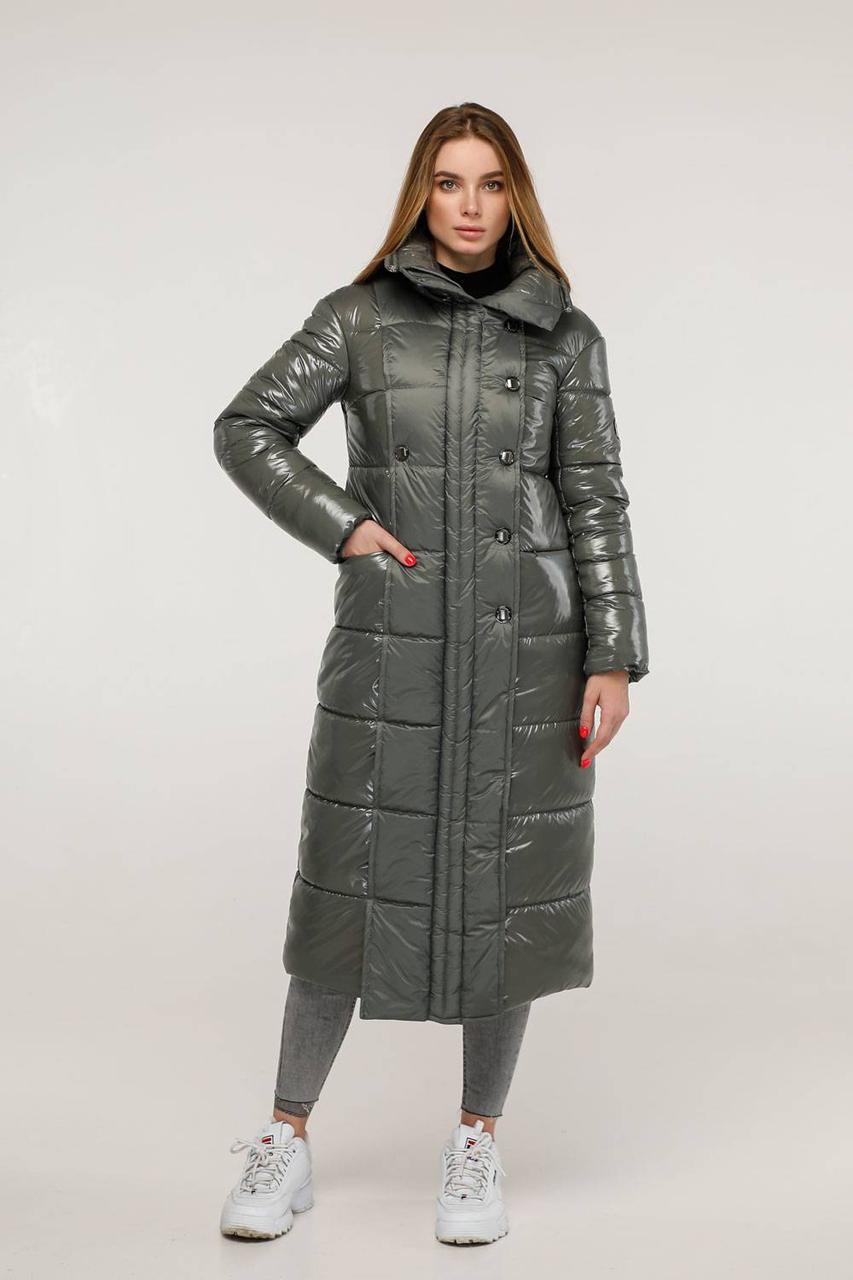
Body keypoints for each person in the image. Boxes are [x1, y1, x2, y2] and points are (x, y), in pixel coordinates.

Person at [212, 101, 650, 1246]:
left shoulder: (564, 336)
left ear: (515, 198)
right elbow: (248, 425)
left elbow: (594, 498)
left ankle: (475, 1137)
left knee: (502, 885)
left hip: (530, 650)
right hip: (389, 647)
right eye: (449, 182)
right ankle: (285, 1134)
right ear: (420, 192)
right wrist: (343, 523)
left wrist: (611, 651)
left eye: (490, 184)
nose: (468, 205)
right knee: (345, 887)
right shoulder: (357, 318)